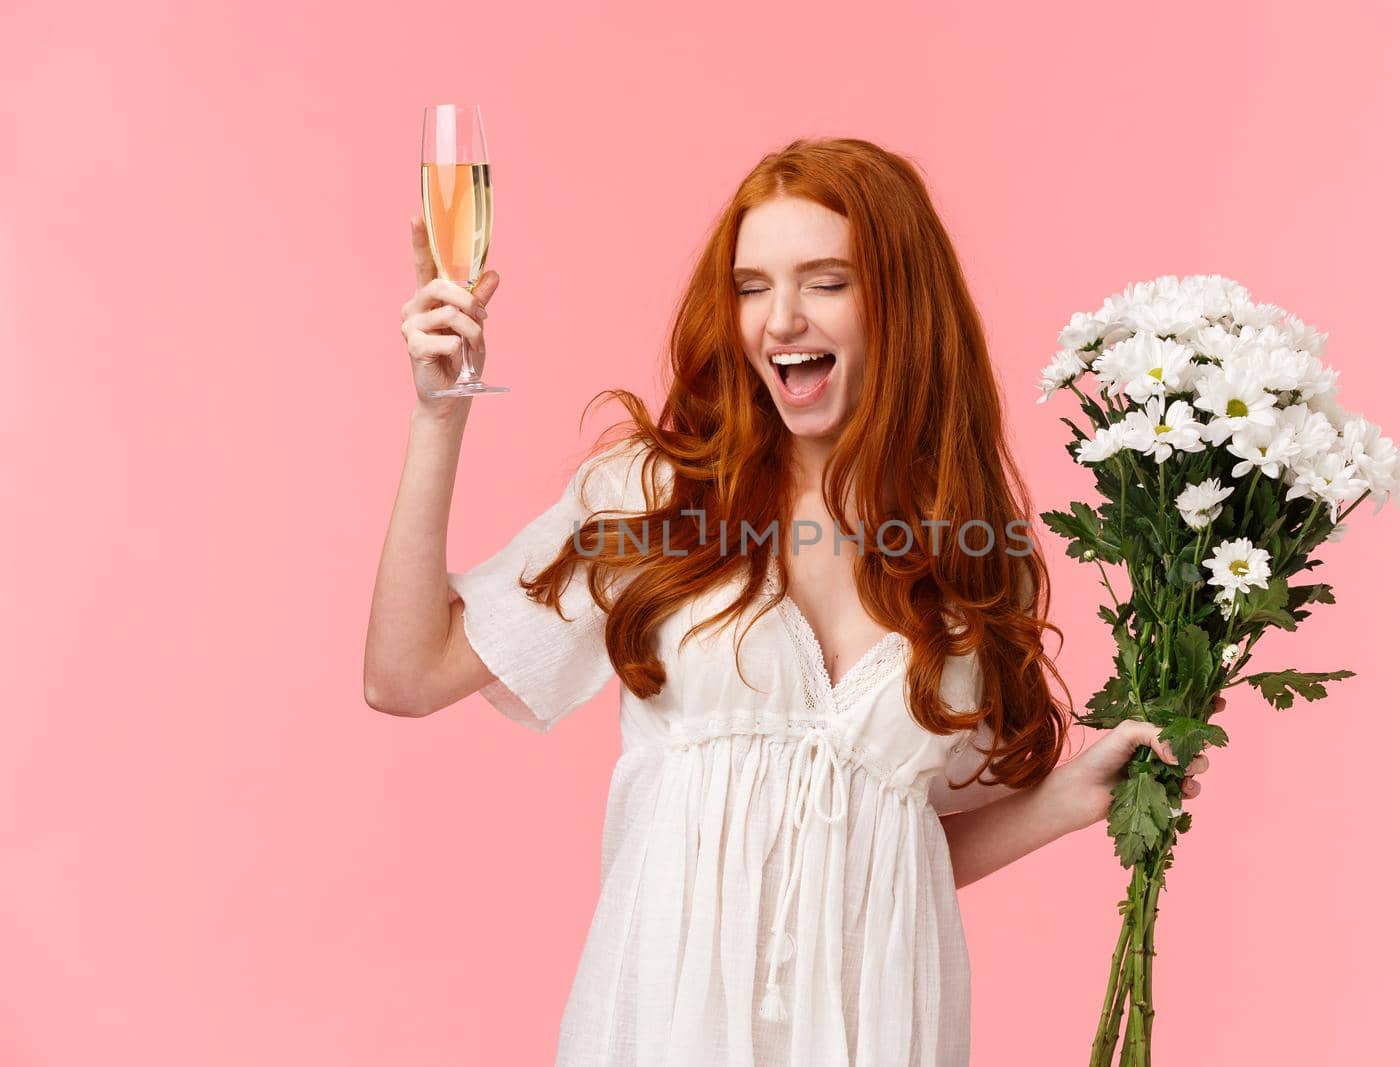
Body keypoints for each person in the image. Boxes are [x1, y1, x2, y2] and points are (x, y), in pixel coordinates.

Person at [364, 137, 1215, 1066]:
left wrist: (1067, 800)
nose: (779, 320)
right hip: (665, 1032)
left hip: (879, 1034)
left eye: (826, 282)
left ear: (901, 305)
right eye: (752, 285)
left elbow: (894, 848)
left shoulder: (971, 553)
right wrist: (437, 417)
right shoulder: (656, 498)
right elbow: (407, 673)